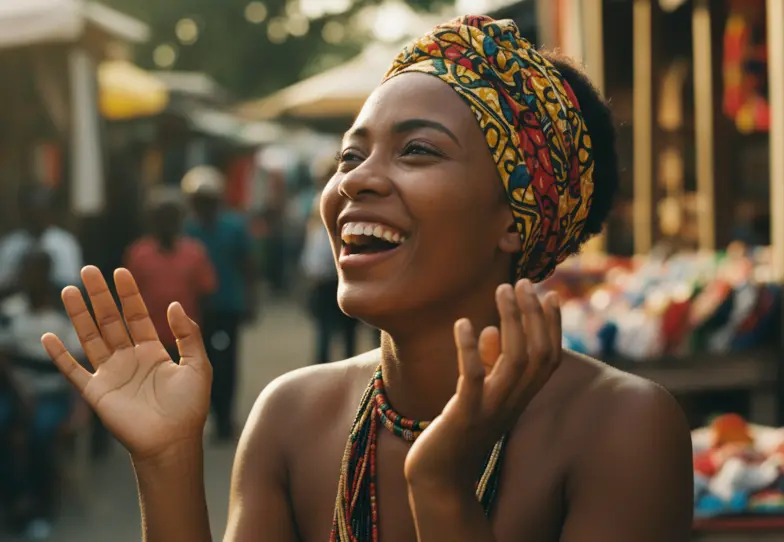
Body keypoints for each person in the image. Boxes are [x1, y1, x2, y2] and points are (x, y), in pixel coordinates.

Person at [41, 16, 693, 542]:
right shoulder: (290, 418)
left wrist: (440, 487)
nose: (353, 180)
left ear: (516, 217)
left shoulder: (622, 428)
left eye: (417, 150)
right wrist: (165, 464)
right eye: (349, 155)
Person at [0, 249, 83, 539]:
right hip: (15, 391)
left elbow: (77, 364)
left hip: (52, 394)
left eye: (31, 271)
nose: (25, 278)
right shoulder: (11, 309)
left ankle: (40, 506)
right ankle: (14, 500)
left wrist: (78, 409)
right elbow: (4, 355)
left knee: (40, 433)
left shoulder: (63, 313)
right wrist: (19, 392)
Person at [181, 166, 257, 441]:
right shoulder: (186, 229)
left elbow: (248, 266)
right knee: (202, 365)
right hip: (196, 310)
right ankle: (211, 415)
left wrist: (251, 301)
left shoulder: (233, 226)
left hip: (227, 307)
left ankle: (225, 417)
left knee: (226, 362)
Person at [124, 188, 217, 360]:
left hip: (186, 340)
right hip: (149, 340)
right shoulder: (138, 254)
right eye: (161, 218)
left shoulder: (195, 253)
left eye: (171, 217)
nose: (166, 223)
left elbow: (206, 294)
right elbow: (128, 297)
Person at [301, 160, 359, 363]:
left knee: (340, 331)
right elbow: (315, 243)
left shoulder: (342, 201)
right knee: (328, 331)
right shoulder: (320, 201)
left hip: (335, 275)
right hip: (327, 277)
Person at [0, 187, 82, 299]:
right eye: (32, 210)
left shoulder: (64, 242)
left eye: (41, 210)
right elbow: (3, 285)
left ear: (49, 211)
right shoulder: (11, 244)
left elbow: (73, 284)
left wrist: (41, 281)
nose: (36, 215)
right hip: (18, 305)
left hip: (55, 305)